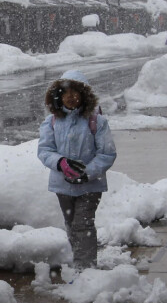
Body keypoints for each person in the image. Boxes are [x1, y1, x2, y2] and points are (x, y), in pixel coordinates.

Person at [37, 70, 117, 271]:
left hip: (90, 185)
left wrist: (86, 173)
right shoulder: (52, 122)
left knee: (83, 224)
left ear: (84, 95)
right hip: (62, 185)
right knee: (71, 225)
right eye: (66, 93)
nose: (71, 97)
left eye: (76, 92)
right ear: (58, 96)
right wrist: (60, 162)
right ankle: (80, 260)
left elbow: (107, 154)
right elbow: (45, 150)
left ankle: (86, 268)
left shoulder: (96, 122)